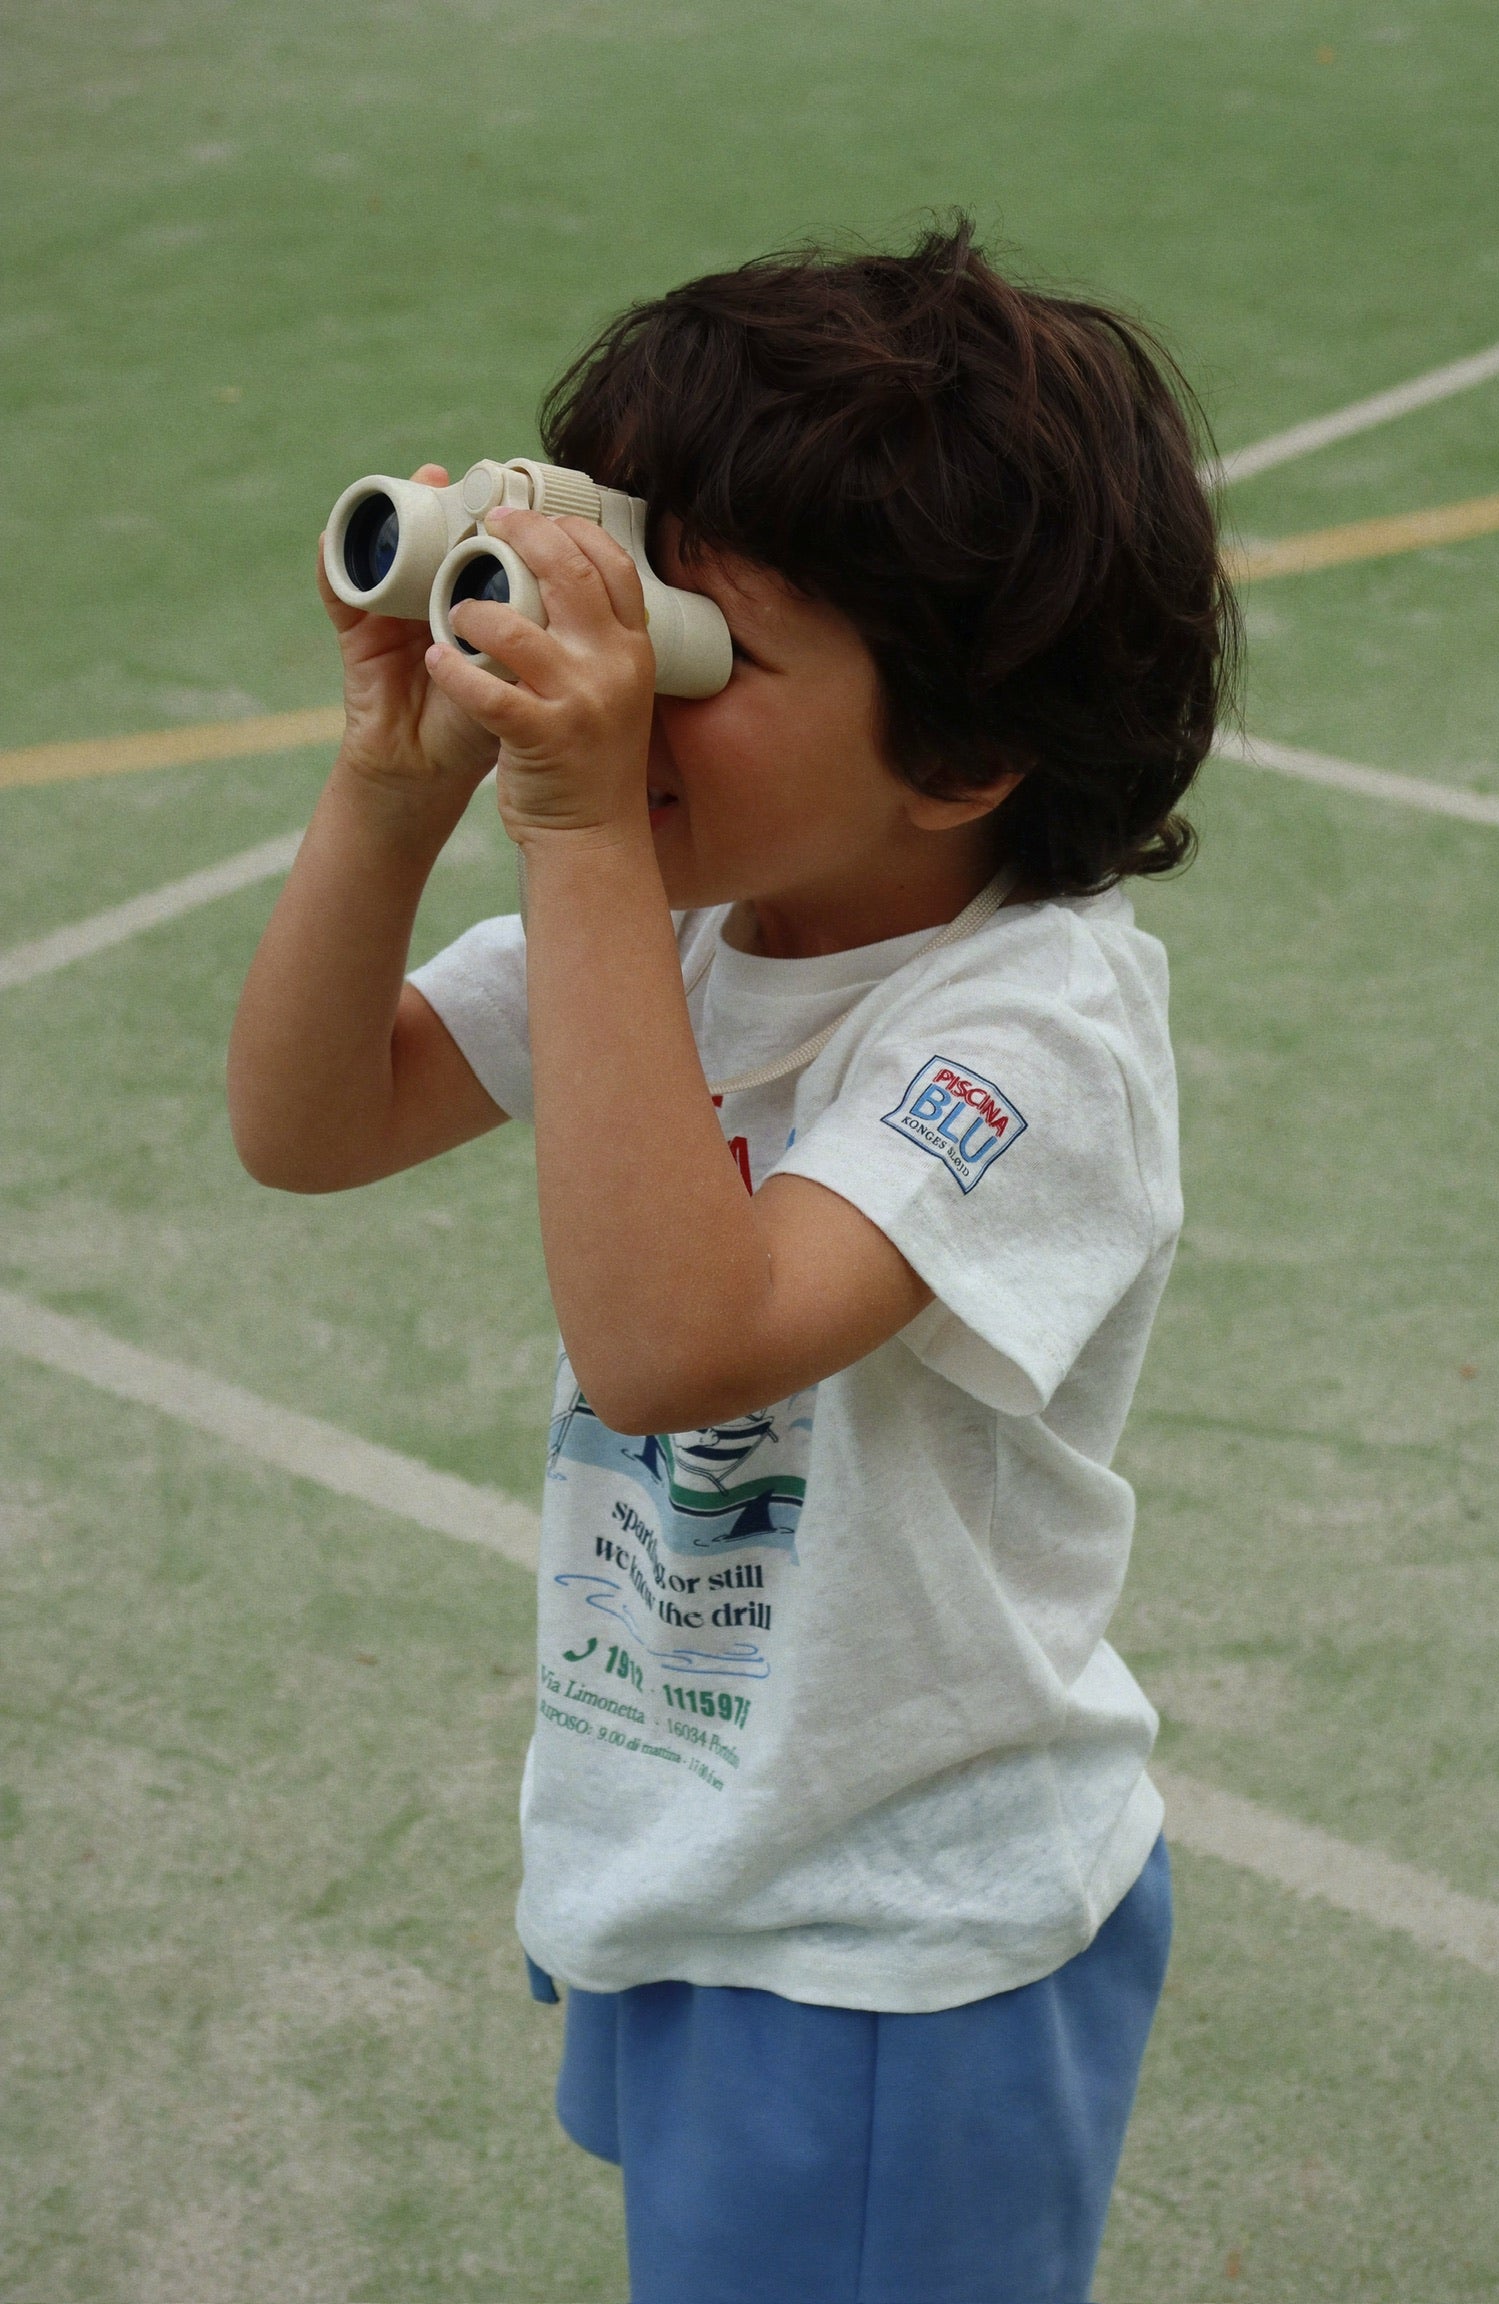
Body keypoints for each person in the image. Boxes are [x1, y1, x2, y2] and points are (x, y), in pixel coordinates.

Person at [228, 219, 1238, 2304]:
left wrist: (591, 833)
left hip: (889, 1935)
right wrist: (391, 792)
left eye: (701, 651)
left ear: (957, 757)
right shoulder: (698, 928)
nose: (614, 678)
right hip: (701, 1844)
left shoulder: (1027, 1032)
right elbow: (310, 1123)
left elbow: (680, 1342)